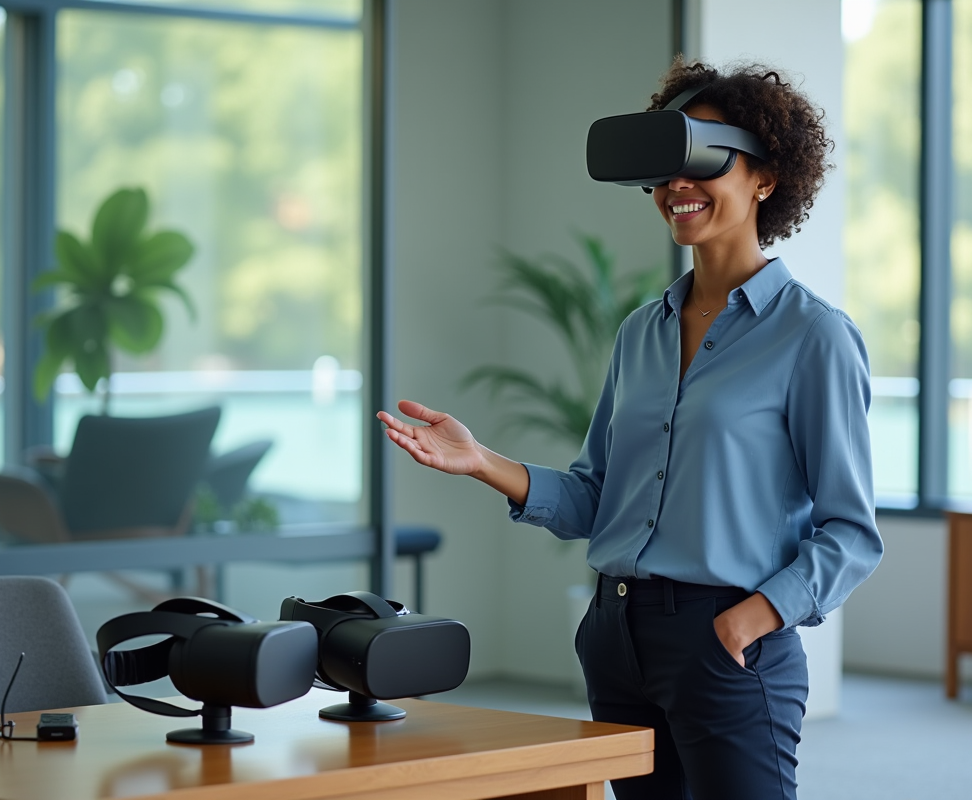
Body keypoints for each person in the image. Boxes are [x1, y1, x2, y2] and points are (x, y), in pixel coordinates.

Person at [377, 58, 883, 800]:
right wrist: (483, 461)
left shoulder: (813, 338)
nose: (678, 187)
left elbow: (850, 533)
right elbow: (595, 498)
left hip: (727, 640)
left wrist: (749, 620)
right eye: (664, 169)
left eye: (705, 159)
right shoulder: (641, 333)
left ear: (765, 178)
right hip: (617, 636)